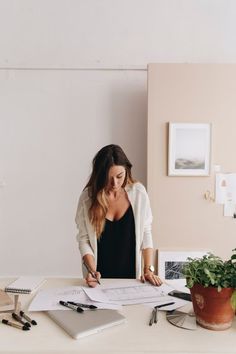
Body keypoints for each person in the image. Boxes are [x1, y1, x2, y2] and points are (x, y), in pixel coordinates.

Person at [75, 144, 162, 287]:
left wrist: (148, 269)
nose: (114, 183)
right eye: (108, 178)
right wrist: (91, 270)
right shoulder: (87, 199)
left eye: (119, 176)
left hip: (131, 280)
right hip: (99, 281)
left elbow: (146, 232)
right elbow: (84, 240)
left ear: (127, 170)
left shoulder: (139, 193)